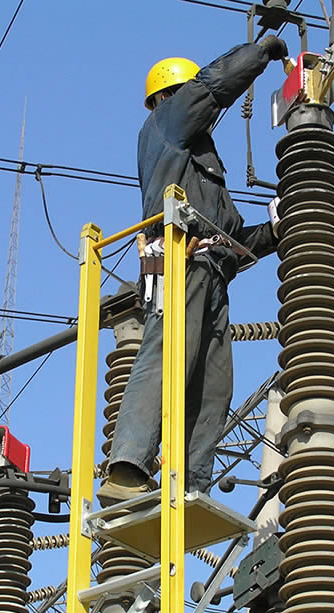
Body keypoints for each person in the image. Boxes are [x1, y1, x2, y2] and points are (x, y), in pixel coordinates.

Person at [96, 36, 289, 507]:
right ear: (170, 96)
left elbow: (233, 240)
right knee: (167, 353)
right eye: (188, 95)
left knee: (214, 384)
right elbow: (213, 85)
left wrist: (277, 229)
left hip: (211, 269)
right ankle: (127, 467)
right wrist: (260, 53)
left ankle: (190, 482)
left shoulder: (200, 164)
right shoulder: (166, 123)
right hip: (175, 258)